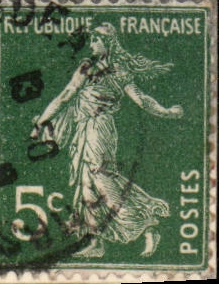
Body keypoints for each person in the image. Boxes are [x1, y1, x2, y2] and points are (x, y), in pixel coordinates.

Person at [31, 23, 183, 257]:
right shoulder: (88, 67)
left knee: (101, 182)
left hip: (98, 129)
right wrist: (42, 120)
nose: (91, 45)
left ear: (108, 43)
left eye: (95, 40)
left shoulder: (116, 71)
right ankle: (96, 242)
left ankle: (147, 225)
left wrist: (166, 112)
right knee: (87, 183)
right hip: (84, 129)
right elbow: (66, 95)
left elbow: (141, 99)